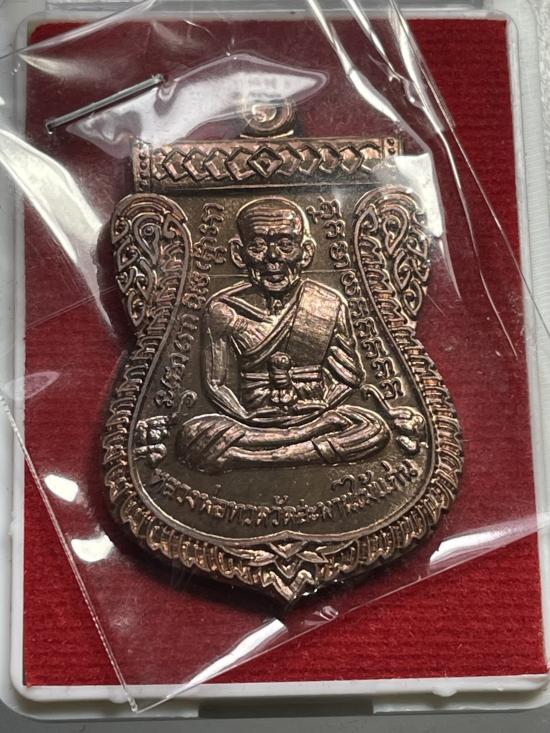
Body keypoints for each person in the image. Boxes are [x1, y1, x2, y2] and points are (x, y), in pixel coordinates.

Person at [176, 196, 391, 474]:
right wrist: (249, 419)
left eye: (286, 245)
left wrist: (319, 414)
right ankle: (294, 448)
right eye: (258, 246)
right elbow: (216, 384)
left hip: (315, 417)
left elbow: (349, 377)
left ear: (306, 252)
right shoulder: (223, 309)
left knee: (373, 429)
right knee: (192, 435)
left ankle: (252, 458)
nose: (272, 257)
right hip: (253, 423)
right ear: (238, 254)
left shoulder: (327, 303)